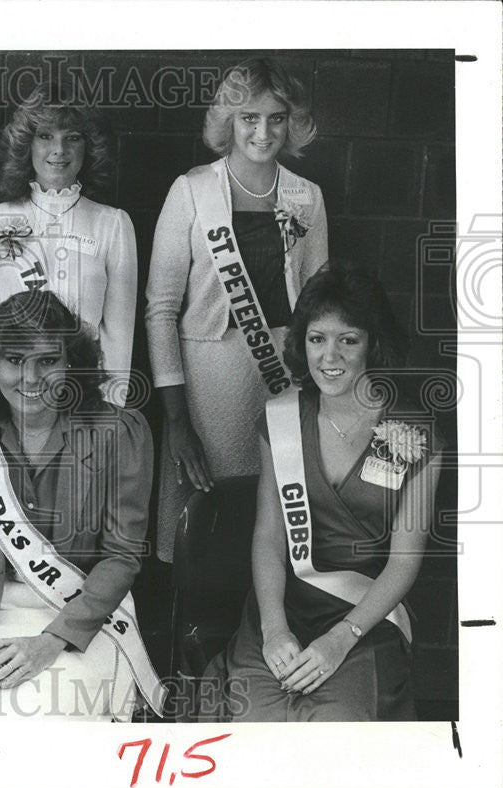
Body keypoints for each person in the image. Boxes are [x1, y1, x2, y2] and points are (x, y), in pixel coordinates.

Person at [222, 264, 441, 721]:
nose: (330, 356)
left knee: (337, 729)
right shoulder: (281, 420)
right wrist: (274, 628)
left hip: (366, 617)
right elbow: (269, 537)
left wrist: (341, 639)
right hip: (284, 603)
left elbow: (404, 563)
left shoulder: (416, 433)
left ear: (373, 344)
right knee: (255, 724)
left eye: (349, 339)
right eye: (317, 338)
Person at [0, 290, 164, 721]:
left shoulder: (118, 432)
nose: (31, 377)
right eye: (14, 360)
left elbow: (121, 557)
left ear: (71, 363)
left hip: (87, 615)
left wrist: (51, 641)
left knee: (54, 704)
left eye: (47, 360)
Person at [145, 58, 329, 560]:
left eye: (276, 118)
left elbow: (316, 308)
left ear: (292, 123)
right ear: (229, 121)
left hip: (278, 378)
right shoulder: (191, 191)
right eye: (250, 117)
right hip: (206, 383)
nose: (263, 131)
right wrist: (177, 420)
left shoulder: (305, 197)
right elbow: (160, 309)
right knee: (201, 525)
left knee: (270, 521)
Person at [0, 80, 137, 405]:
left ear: (88, 147)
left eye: (72, 138)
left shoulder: (113, 224)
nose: (59, 151)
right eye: (45, 136)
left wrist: (106, 409)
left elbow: (119, 337)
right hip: (9, 394)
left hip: (81, 394)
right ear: (27, 144)